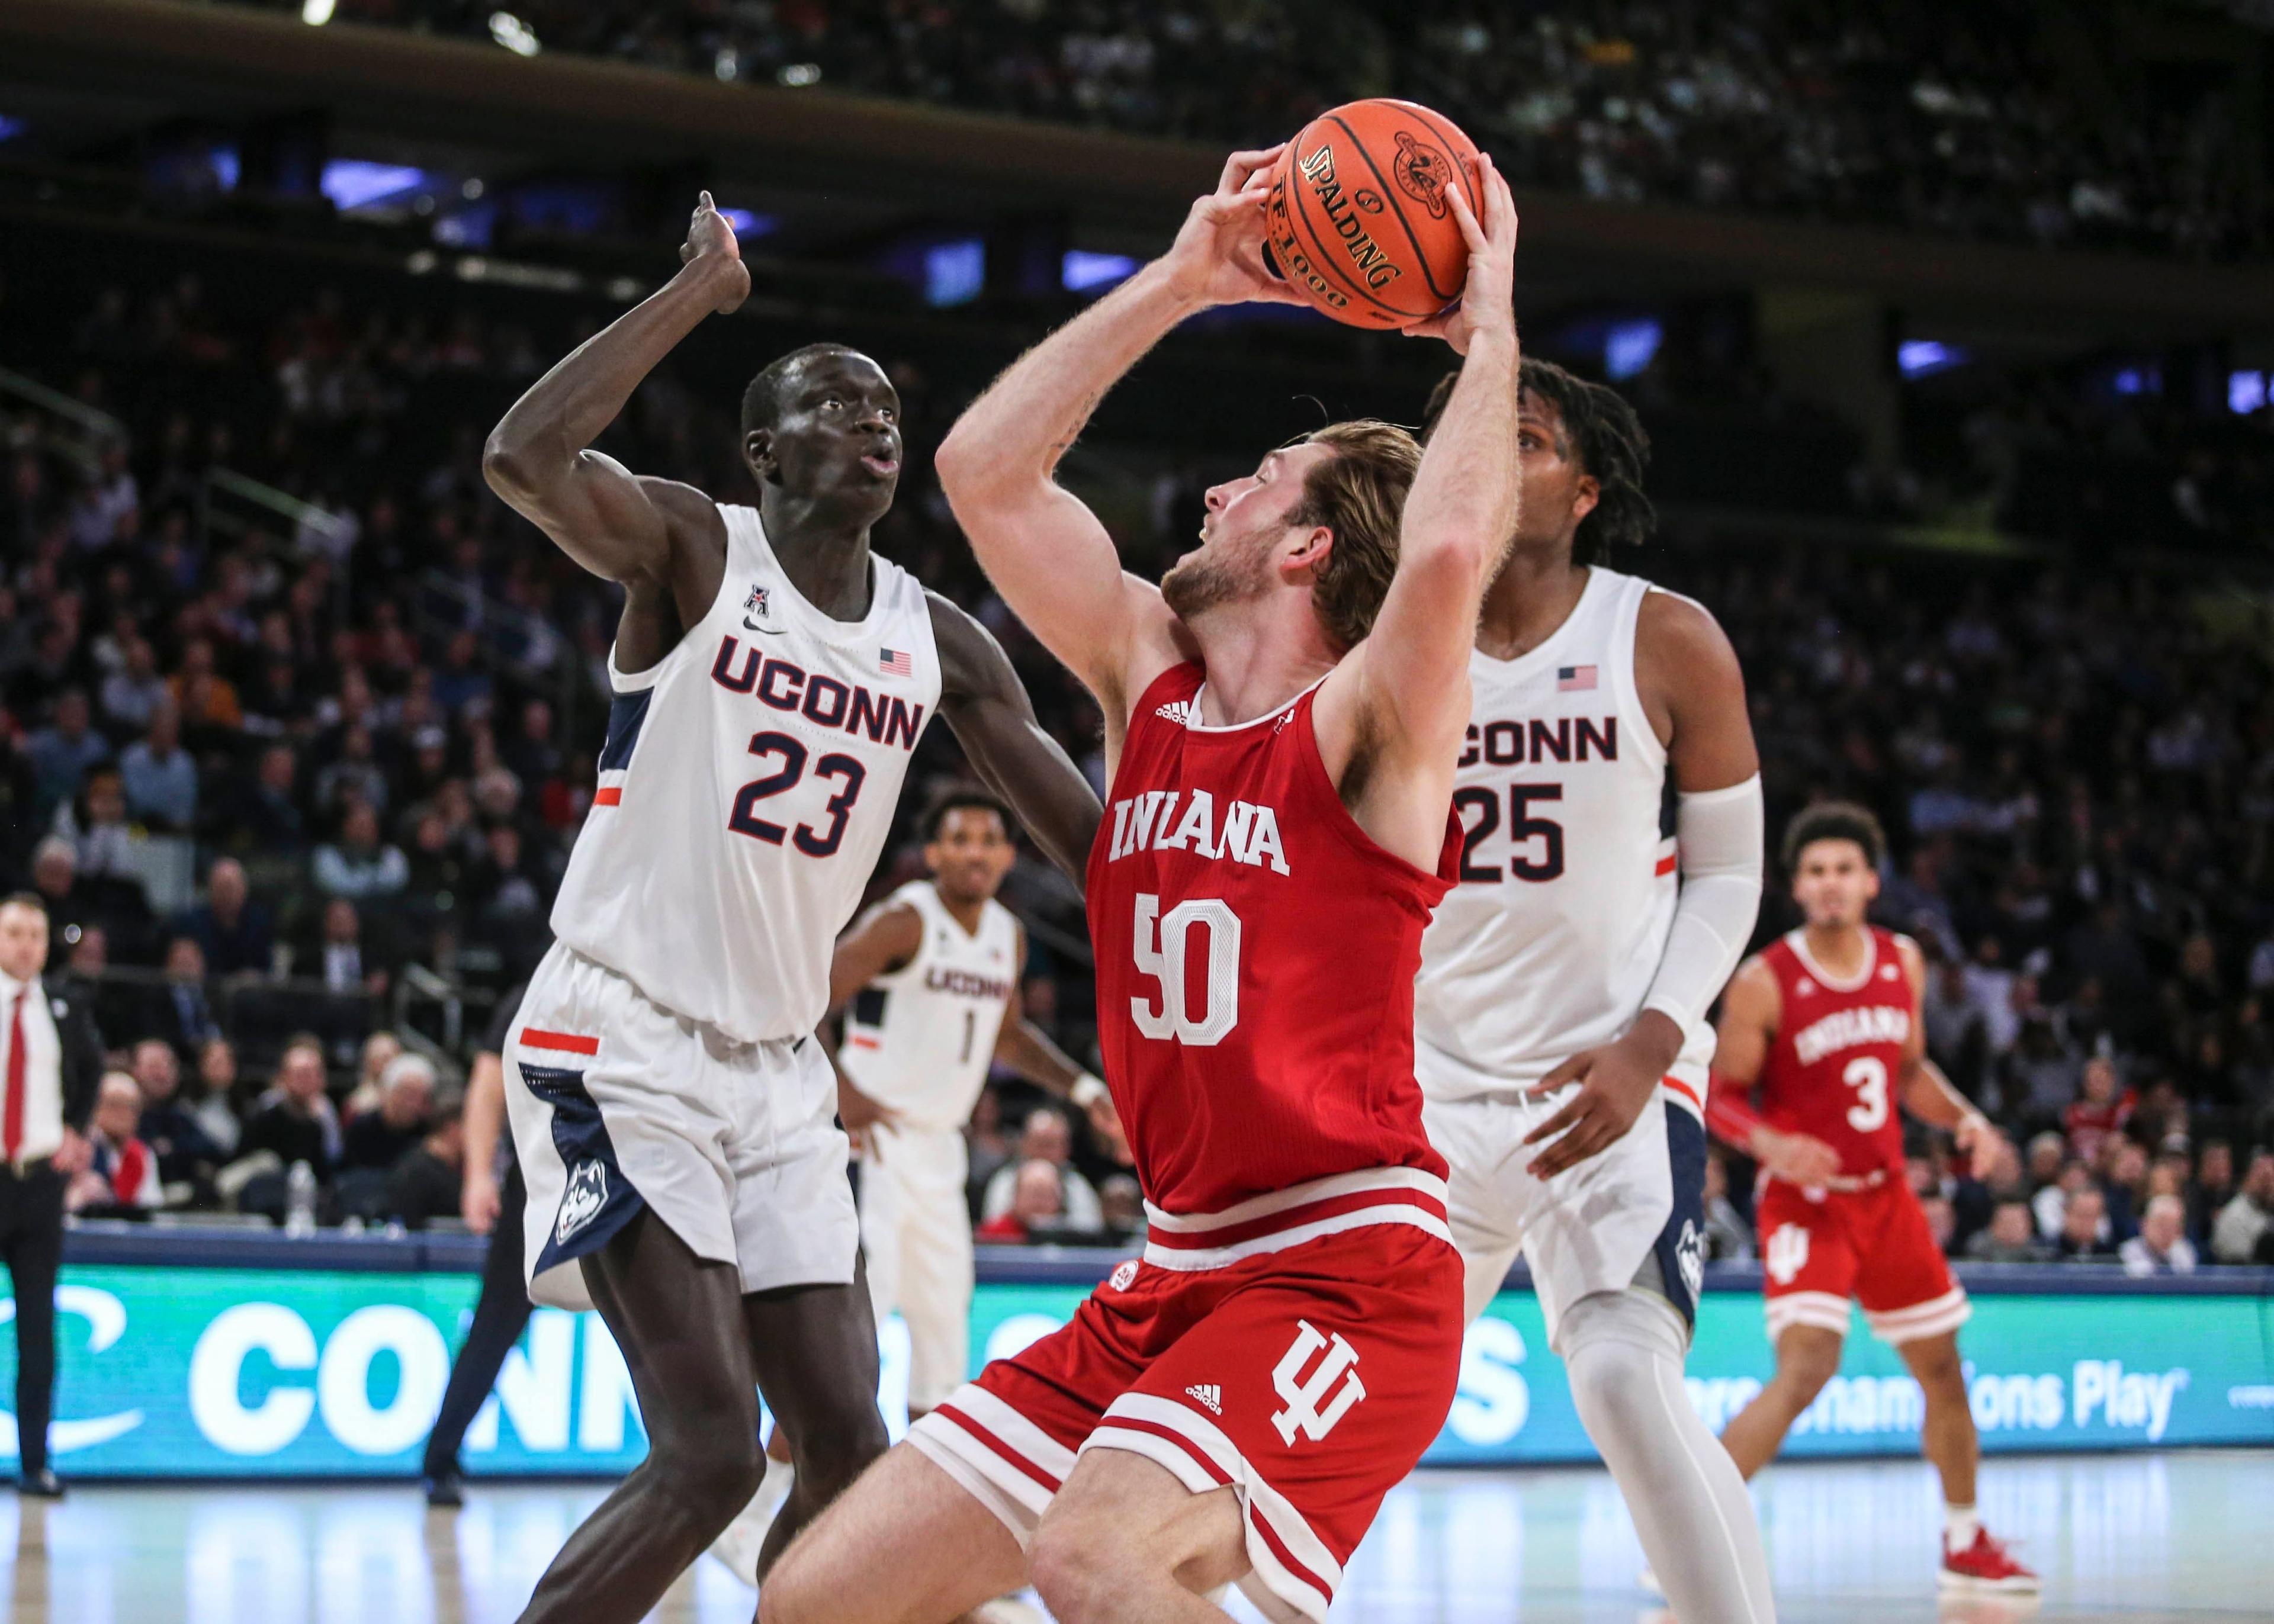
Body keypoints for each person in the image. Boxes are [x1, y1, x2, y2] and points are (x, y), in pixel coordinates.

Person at [762, 143, 1521, 1624]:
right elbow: (983, 474)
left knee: (1095, 1557)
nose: (1217, 492)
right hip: (1170, 1266)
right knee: (815, 1596)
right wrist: (1184, 279)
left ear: (1303, 545)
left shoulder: (1370, 728)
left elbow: (1440, 548)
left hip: (1343, 1264)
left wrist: (1487, 325)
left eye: (1260, 484)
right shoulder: (1146, 676)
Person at [476, 189, 1103, 1621]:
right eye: (833, 405)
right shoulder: (698, 550)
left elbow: (1087, 835)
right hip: (617, 1036)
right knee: (703, 1455)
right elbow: (523, 455)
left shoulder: (934, 635)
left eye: (885, 407)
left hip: (775, 1072)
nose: (873, 423)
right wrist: (699, 294)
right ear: (764, 452)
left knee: (848, 1446)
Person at [1407, 357, 1774, 1624]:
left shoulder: (1663, 634)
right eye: (1469, 437)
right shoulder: (1386, 637)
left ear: (1583, 493)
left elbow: (1729, 876)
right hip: (1426, 1092)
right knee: (1356, 1402)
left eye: (1525, 439)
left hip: (1614, 1074)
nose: (1491, 459)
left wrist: (1651, 1045)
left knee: (1622, 1377)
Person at [710, 788, 1129, 1581]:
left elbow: (1007, 1037)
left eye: (989, 839)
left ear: (1008, 856)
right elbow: (806, 996)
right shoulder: (905, 918)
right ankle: (755, 1507)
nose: (975, 851)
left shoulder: (1004, 934)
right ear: (934, 853)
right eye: (959, 838)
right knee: (844, 1352)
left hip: (939, 1157)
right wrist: (837, 1086)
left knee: (941, 1355)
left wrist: (1080, 1089)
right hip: (874, 1152)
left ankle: (918, 1543)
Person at [1707, 803, 2037, 1594]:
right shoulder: (1765, 979)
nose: (1831, 883)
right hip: (1805, 1199)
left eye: (1844, 870)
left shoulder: (1903, 959)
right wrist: (1770, 1143)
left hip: (1886, 1196)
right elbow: (1718, 1094)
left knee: (1945, 1371)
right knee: (1807, 1367)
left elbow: (1910, 1070)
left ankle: (1964, 1540)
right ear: (1796, 887)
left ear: (1870, 882)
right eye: (1816, 871)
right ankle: (1695, 1530)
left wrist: (1967, 1119)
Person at [0, 893, 104, 1497]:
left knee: (39, 1329)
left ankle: (36, 1461)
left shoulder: (64, 1007)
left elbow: (92, 1071)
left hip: (39, 1184)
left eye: (35, 934)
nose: (25, 944)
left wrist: (77, 1129)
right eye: (14, 932)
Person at [421, 981, 535, 1507]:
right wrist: (478, 1176)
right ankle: (441, 1458)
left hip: (630, 1177)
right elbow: (488, 1085)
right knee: (495, 1325)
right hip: (543, 1182)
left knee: (658, 1330)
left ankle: (684, 1466)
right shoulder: (542, 983)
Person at [68, 1072, 161, 1214]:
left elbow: (151, 1205)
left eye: (131, 1107)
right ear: (95, 1106)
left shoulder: (143, 1154)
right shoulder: (77, 1145)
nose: (123, 1114)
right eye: (114, 1104)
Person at [2118, 1194, 2196, 1275]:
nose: (2166, 1231)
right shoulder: (2127, 1254)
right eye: (2161, 1224)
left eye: (2173, 1226)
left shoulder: (2185, 1251)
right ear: (2145, 1224)